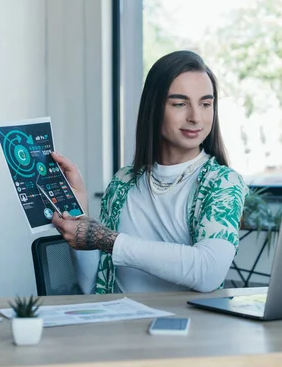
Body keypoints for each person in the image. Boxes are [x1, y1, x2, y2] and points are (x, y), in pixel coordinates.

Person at [51, 50, 248, 294]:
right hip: (118, 324)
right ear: (154, 108)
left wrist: (108, 240)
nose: (196, 117)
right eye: (179, 104)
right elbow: (93, 284)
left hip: (189, 328)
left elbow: (208, 272)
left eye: (206, 104)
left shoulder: (222, 183)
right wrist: (78, 211)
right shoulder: (123, 181)